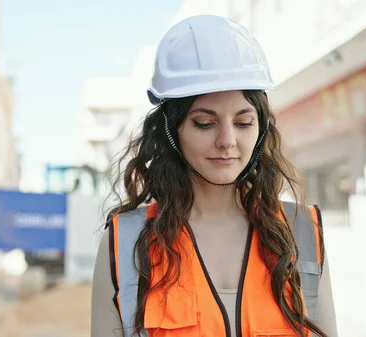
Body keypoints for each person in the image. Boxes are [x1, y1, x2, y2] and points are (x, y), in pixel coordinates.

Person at [91, 14, 338, 337]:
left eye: (243, 122)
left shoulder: (302, 232)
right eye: (205, 123)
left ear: (261, 129)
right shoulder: (126, 242)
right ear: (170, 130)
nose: (227, 140)